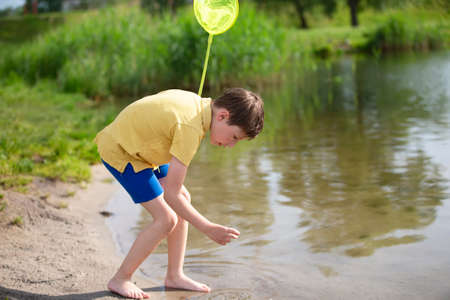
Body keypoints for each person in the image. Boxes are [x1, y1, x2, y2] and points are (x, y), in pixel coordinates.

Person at [95, 88, 264, 299]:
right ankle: (121, 278)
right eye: (234, 137)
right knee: (166, 219)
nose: (230, 145)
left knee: (184, 198)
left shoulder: (198, 105)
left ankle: (174, 275)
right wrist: (208, 228)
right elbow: (170, 195)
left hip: (142, 146)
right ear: (222, 116)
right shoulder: (190, 128)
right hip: (122, 150)